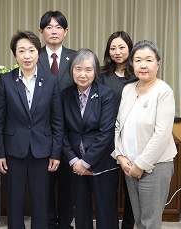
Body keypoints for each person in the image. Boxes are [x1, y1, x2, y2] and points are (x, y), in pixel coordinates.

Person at [0, 30, 64, 229]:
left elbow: (57, 121)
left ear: (38, 53)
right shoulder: (6, 81)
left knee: (41, 201)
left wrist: (55, 153)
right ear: (15, 55)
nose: (27, 55)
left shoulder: (50, 81)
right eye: (21, 51)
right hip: (13, 150)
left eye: (31, 50)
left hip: (42, 150)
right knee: (14, 201)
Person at [112, 40, 177, 229]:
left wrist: (141, 164)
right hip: (129, 165)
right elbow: (118, 125)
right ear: (132, 64)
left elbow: (162, 134)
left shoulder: (163, 91)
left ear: (158, 63)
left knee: (150, 222)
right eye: (138, 60)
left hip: (154, 166)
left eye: (149, 60)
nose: (143, 65)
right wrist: (120, 156)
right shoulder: (128, 89)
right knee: (139, 220)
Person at [61, 48, 118, 229]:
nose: (83, 74)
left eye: (88, 69)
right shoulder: (65, 95)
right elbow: (61, 131)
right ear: (71, 71)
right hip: (75, 163)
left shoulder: (106, 94)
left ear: (95, 71)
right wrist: (74, 161)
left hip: (102, 162)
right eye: (78, 69)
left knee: (105, 210)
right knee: (81, 210)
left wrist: (86, 162)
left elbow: (106, 132)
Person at [37, 10, 76, 229]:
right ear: (41, 31)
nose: (54, 31)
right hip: (42, 132)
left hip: (70, 132)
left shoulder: (76, 57)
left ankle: (65, 224)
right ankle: (49, 223)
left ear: (66, 31)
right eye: (49, 27)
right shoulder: (33, 56)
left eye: (58, 27)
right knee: (44, 183)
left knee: (67, 184)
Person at [100, 31, 135, 229]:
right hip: (108, 139)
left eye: (121, 47)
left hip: (131, 140)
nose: (117, 52)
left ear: (129, 48)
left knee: (131, 191)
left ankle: (128, 226)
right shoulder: (102, 76)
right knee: (108, 190)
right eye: (113, 48)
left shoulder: (138, 75)